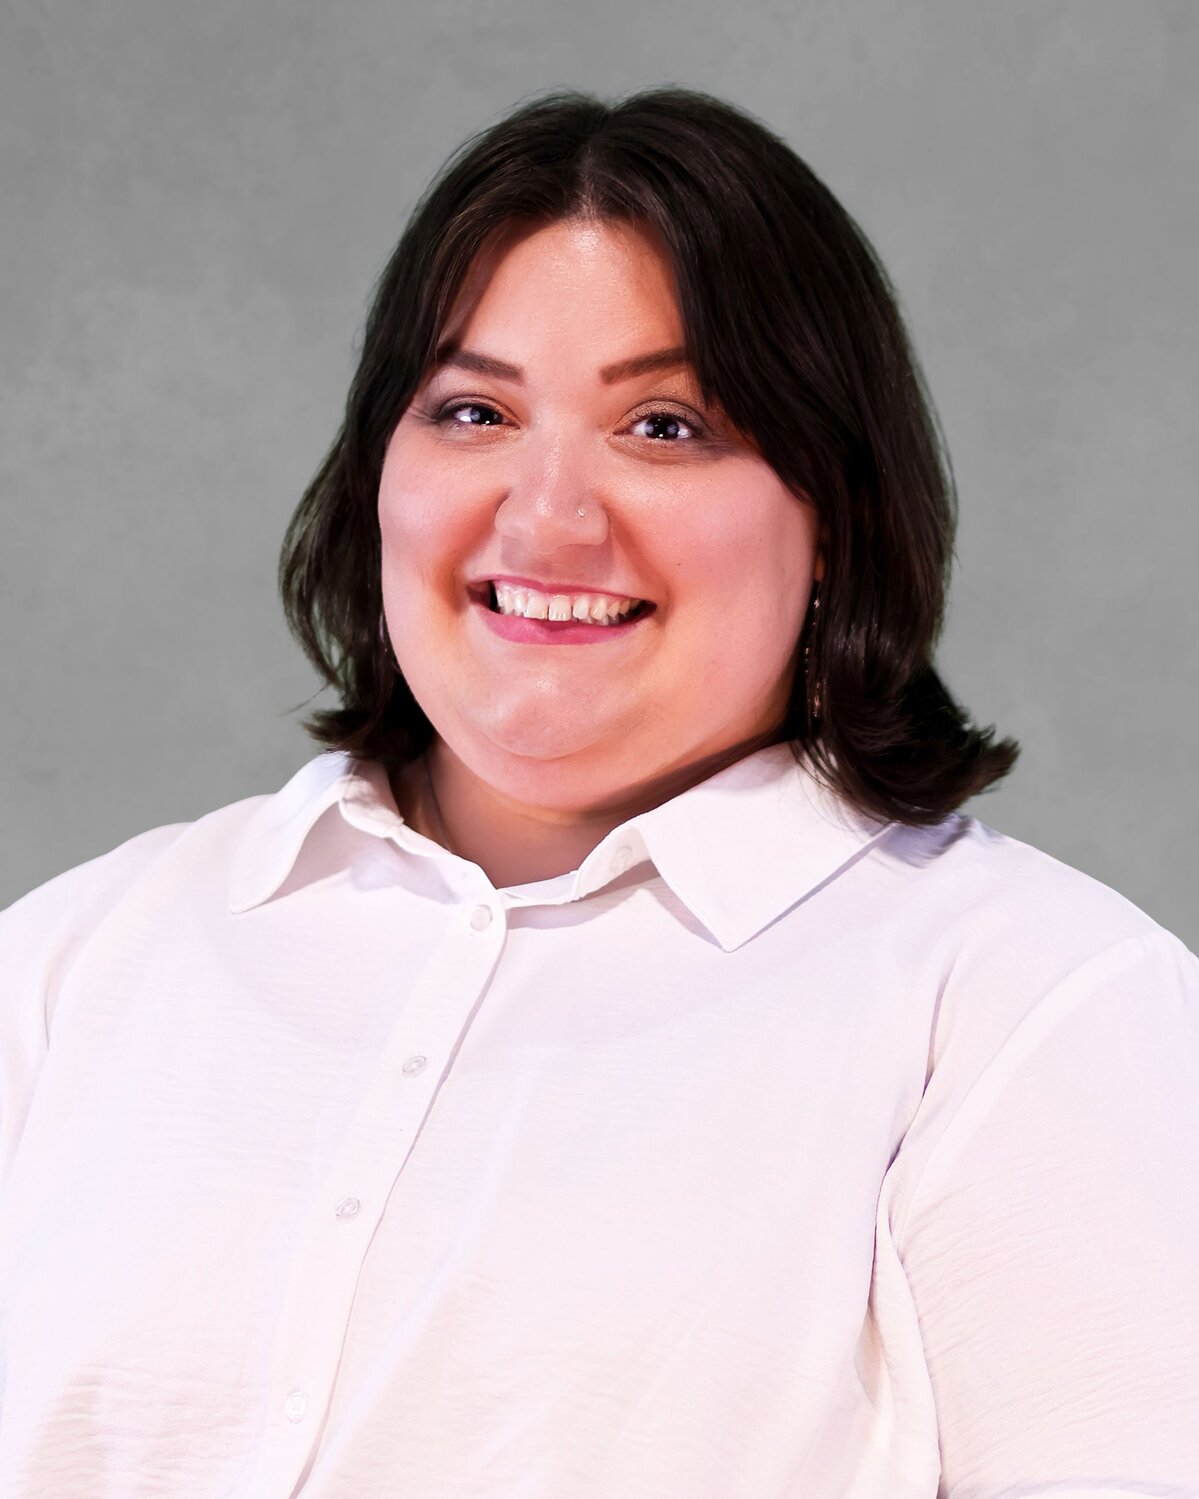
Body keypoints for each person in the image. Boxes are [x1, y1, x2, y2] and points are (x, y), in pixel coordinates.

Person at [1, 86, 1196, 1499]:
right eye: (472, 409)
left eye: (667, 426)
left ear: (837, 515)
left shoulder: (1031, 1011)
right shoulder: (79, 961)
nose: (549, 514)